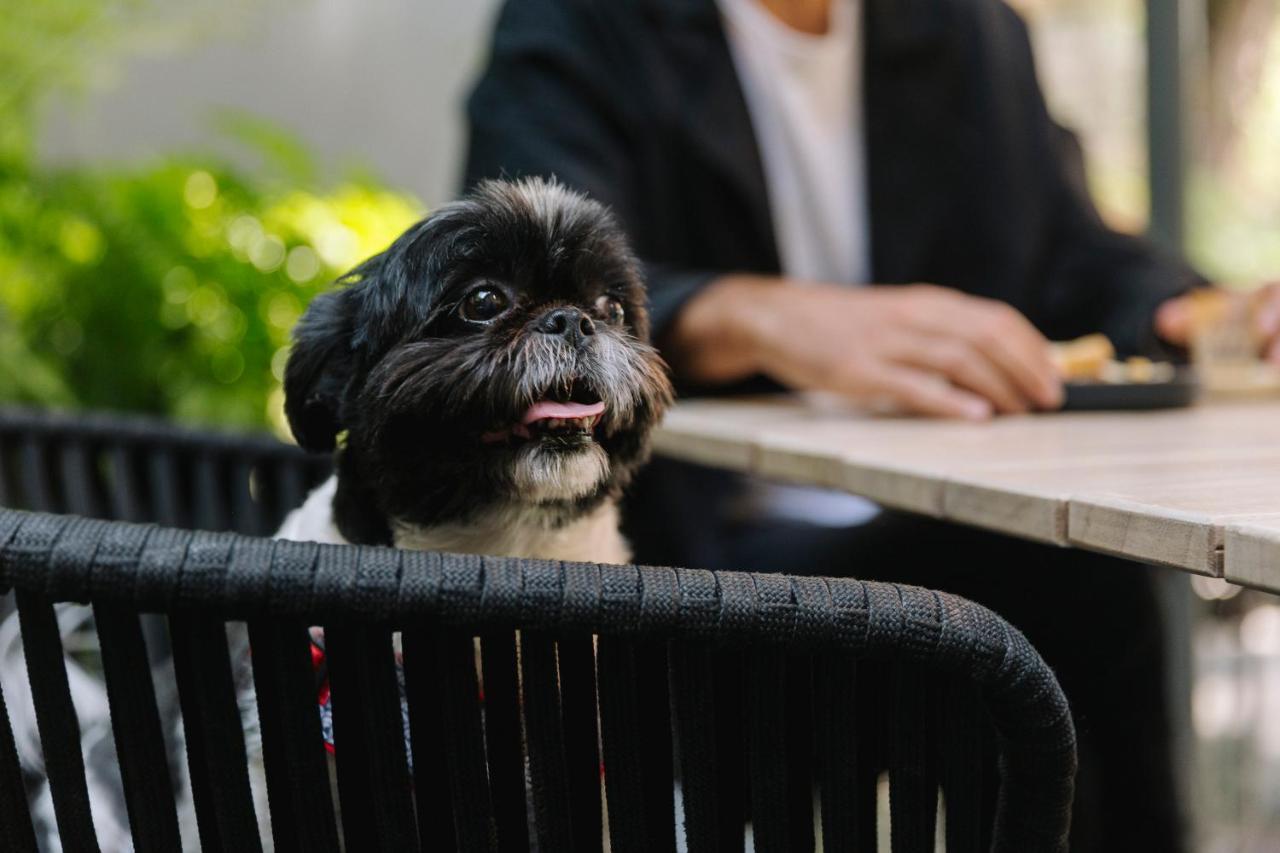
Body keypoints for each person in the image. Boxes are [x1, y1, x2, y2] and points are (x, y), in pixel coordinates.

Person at [463, 0, 1280, 848]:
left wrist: (1189, 310)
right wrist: (762, 317)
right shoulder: (580, 26)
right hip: (688, 552)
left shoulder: (964, 30)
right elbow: (523, 281)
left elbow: (1070, 247)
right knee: (1069, 595)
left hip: (940, 524)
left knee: (1090, 581)